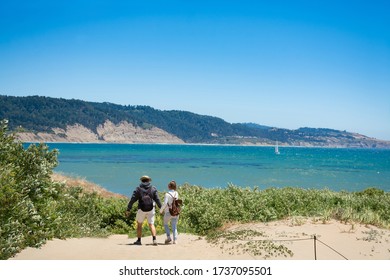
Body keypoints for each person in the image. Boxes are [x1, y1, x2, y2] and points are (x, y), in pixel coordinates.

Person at [126, 175, 162, 246]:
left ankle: (139, 241)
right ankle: (154, 239)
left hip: (141, 209)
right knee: (151, 224)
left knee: (139, 224)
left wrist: (128, 209)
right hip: (151, 209)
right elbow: (157, 199)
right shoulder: (153, 188)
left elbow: (132, 200)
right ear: (149, 181)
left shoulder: (138, 189)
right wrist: (161, 208)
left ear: (142, 181)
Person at [159, 180, 179, 244]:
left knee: (165, 223)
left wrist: (161, 210)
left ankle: (168, 237)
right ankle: (175, 240)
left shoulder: (167, 194)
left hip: (168, 212)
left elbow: (165, 204)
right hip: (175, 212)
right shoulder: (176, 193)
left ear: (169, 186)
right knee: (174, 226)